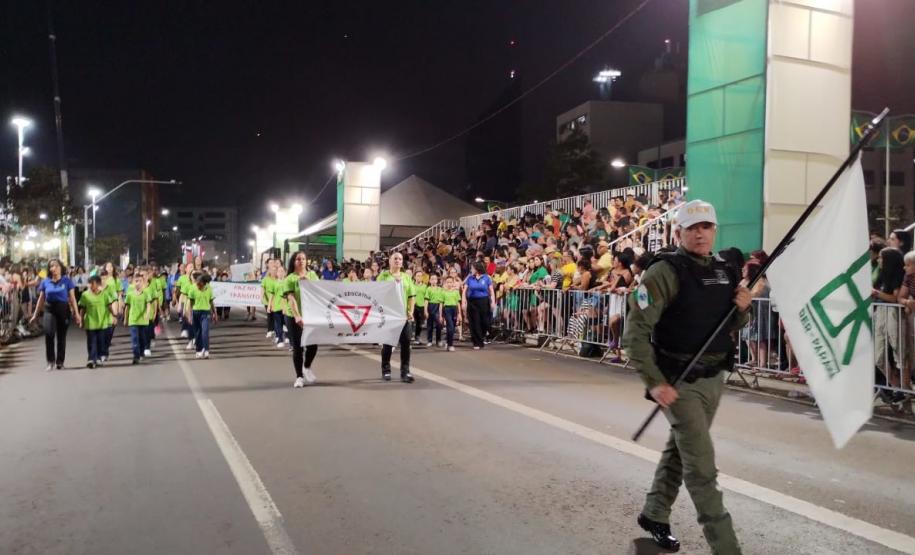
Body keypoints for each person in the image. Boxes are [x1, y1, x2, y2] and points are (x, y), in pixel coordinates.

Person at [622, 199, 751, 554]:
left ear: (714, 230)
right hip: (678, 382)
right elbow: (635, 334)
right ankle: (727, 549)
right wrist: (654, 381)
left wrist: (742, 309)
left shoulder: (725, 270)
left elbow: (731, 324)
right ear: (678, 232)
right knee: (702, 469)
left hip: (715, 378)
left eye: (706, 226)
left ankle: (655, 513)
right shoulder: (663, 272)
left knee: (682, 451)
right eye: (692, 227)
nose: (700, 233)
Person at [30, 259, 82, 370]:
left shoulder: (67, 281)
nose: (54, 268)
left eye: (56, 266)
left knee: (61, 337)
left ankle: (60, 362)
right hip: (49, 309)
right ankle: (50, 361)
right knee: (49, 334)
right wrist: (35, 315)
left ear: (61, 267)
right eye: (51, 266)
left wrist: (77, 314)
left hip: (63, 310)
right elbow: (41, 299)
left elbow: (72, 299)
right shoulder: (45, 281)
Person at [281, 252, 320, 388]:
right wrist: (297, 315)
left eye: (303, 259)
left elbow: (319, 292)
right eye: (298, 259)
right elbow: (291, 298)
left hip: (311, 315)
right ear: (293, 262)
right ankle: (299, 377)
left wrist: (308, 283)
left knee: (313, 345)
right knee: (298, 347)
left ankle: (306, 366)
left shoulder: (313, 275)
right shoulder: (289, 279)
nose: (301, 261)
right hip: (293, 316)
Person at [377, 252, 416, 382]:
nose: (398, 261)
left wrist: (411, 311)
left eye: (400, 259)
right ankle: (386, 370)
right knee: (388, 344)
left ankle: (405, 372)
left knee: (406, 344)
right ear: (390, 261)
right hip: (389, 316)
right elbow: (376, 293)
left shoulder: (406, 277)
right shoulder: (383, 276)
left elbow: (412, 296)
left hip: (403, 316)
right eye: (395, 258)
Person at [77, 275, 117, 369]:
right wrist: (81, 320)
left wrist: (114, 315)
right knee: (91, 342)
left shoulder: (105, 294)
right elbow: (83, 309)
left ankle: (98, 358)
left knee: (100, 342)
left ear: (98, 284)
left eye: (93, 284)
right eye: (89, 283)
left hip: (102, 323)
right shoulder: (85, 295)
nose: (90, 286)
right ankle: (91, 359)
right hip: (90, 323)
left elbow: (109, 306)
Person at [462, 261, 496, 350]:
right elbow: (464, 289)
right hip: (472, 302)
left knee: (485, 322)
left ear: (477, 269)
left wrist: (493, 301)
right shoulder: (470, 278)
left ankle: (482, 336)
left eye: (472, 268)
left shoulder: (486, 278)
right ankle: (476, 342)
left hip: (484, 301)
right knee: (474, 322)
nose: (471, 270)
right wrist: (463, 301)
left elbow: (491, 290)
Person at [125, 272, 154, 365]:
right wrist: (125, 319)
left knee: (142, 338)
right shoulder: (130, 294)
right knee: (134, 339)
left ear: (143, 282)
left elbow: (149, 305)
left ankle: (141, 352)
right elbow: (127, 307)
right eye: (136, 281)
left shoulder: (146, 293)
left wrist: (147, 314)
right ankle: (136, 356)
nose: (138, 283)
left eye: (140, 281)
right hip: (133, 320)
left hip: (143, 321)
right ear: (133, 282)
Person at [187, 273, 216, 359]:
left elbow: (211, 301)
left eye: (200, 285)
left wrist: (215, 313)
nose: (198, 287)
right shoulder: (192, 288)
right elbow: (190, 303)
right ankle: (199, 350)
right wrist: (189, 315)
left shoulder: (209, 288)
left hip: (206, 312)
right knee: (198, 333)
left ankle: (206, 350)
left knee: (205, 331)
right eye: (197, 285)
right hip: (196, 312)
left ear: (204, 283)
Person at [442, 275, 462, 352]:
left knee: (452, 328)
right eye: (448, 282)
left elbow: (458, 303)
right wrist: (441, 315)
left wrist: (459, 314)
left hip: (454, 310)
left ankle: (448, 342)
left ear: (453, 283)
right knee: (450, 326)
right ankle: (450, 345)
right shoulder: (443, 292)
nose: (449, 284)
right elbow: (441, 304)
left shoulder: (456, 292)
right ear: (445, 283)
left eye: (450, 282)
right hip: (447, 309)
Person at [424, 273, 444, 347]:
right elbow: (426, 300)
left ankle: (438, 340)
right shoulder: (428, 289)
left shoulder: (440, 289)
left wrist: (441, 314)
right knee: (430, 325)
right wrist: (425, 311)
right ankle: (429, 340)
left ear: (437, 280)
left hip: (437, 307)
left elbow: (441, 302)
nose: (434, 280)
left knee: (439, 324)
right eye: (432, 279)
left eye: (435, 279)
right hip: (430, 307)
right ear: (429, 280)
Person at [412, 270, 428, 345]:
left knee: (419, 323)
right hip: (413, 306)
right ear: (415, 277)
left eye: (421, 276)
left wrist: (426, 309)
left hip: (422, 306)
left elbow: (426, 298)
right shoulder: (411, 285)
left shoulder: (425, 286)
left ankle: (417, 337)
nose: (419, 277)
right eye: (418, 276)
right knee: (411, 322)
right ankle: (410, 337)